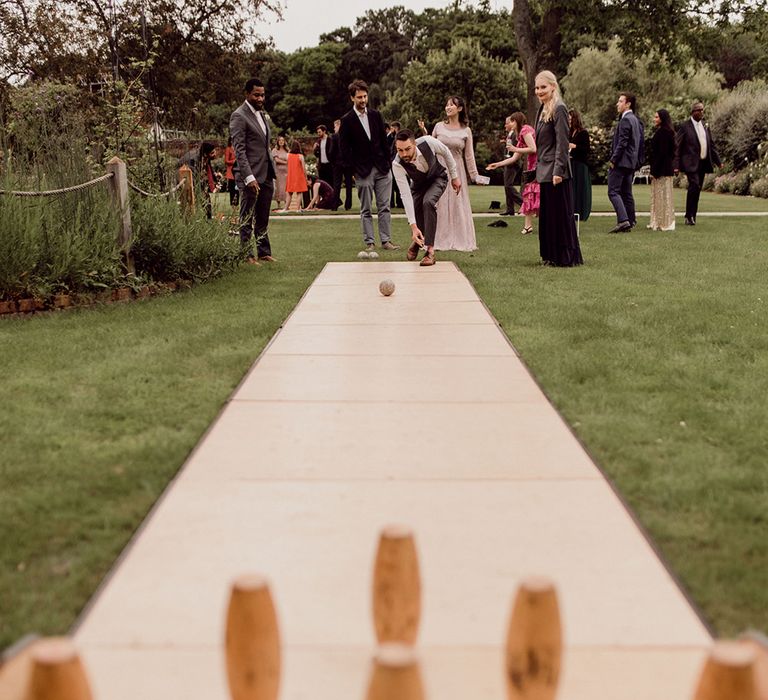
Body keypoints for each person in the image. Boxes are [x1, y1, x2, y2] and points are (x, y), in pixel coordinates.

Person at [339, 79, 399, 251]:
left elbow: (383, 142)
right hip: (362, 172)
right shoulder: (347, 121)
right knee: (366, 209)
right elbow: (344, 150)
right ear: (352, 98)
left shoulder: (375, 115)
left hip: (382, 168)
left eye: (365, 96)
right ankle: (370, 243)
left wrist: (389, 164)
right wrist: (353, 171)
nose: (363, 100)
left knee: (384, 207)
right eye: (359, 97)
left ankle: (386, 241)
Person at [533, 70, 583, 267]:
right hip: (544, 170)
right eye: (537, 88)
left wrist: (558, 171)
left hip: (556, 173)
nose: (539, 91)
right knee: (548, 218)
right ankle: (550, 255)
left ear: (553, 86)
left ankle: (564, 257)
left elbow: (563, 143)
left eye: (543, 87)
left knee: (560, 217)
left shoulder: (559, 109)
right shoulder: (542, 110)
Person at [392, 129, 461, 267]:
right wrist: (413, 227)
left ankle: (430, 251)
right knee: (416, 207)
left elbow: (446, 152)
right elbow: (405, 195)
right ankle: (418, 241)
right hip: (418, 185)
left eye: (407, 149)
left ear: (414, 144)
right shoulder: (397, 164)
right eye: (400, 150)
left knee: (428, 202)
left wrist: (455, 176)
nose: (404, 154)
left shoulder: (428, 142)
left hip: (437, 178)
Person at [230, 77, 277, 264]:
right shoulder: (239, 116)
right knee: (247, 216)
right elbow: (239, 150)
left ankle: (264, 252)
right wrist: (249, 177)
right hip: (250, 175)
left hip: (266, 173)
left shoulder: (262, 115)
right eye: (256, 95)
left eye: (262, 95)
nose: (260, 98)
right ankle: (246, 254)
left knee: (263, 216)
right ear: (247, 94)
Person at [431, 96, 484, 251]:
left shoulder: (466, 131)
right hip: (439, 169)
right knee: (438, 203)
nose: (448, 107)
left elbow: (469, 156)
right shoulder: (438, 127)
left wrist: (475, 176)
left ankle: (460, 239)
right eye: (447, 105)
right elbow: (430, 148)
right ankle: (437, 239)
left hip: (457, 170)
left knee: (457, 204)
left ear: (459, 109)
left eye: (452, 105)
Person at [486, 111, 539, 235]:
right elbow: (514, 158)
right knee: (529, 194)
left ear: (518, 121)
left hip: (539, 165)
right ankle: (528, 226)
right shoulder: (521, 134)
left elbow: (533, 148)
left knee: (533, 194)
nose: (510, 123)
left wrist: (515, 148)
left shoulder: (525, 130)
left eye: (512, 121)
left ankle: (532, 225)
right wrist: (497, 164)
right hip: (533, 166)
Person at [674, 101, 721, 226]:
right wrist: (676, 165)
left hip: (703, 163)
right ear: (692, 112)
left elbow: (711, 144)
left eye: (702, 110)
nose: (701, 112)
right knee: (694, 185)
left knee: (697, 189)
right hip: (690, 163)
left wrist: (718, 162)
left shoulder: (705, 126)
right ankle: (688, 216)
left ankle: (692, 215)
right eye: (699, 110)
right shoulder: (685, 126)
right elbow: (677, 146)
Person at [607, 92, 644, 233]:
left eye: (620, 101)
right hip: (630, 163)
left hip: (621, 162)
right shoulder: (635, 120)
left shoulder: (626, 120)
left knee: (613, 192)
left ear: (628, 104)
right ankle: (631, 220)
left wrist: (613, 160)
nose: (617, 103)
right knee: (626, 193)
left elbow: (622, 143)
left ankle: (623, 220)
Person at [648, 108, 677, 231]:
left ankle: (663, 222)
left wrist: (655, 171)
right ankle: (660, 220)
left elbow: (662, 153)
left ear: (662, 119)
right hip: (665, 168)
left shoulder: (663, 133)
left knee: (662, 196)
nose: (655, 119)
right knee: (662, 196)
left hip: (662, 170)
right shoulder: (668, 132)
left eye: (657, 117)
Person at [568, 109, 592, 222]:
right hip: (571, 163)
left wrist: (575, 146)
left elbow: (587, 149)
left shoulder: (583, 133)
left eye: (570, 118)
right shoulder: (569, 132)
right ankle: (572, 210)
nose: (568, 120)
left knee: (581, 188)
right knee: (572, 189)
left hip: (580, 164)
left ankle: (582, 212)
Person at [501, 114, 523, 216]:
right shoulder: (510, 133)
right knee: (507, 186)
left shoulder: (515, 134)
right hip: (508, 160)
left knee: (508, 185)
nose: (505, 125)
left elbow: (516, 148)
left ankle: (523, 203)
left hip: (512, 163)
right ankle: (510, 209)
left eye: (507, 123)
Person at [330, 119, 353, 211]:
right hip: (348, 163)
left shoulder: (334, 136)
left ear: (339, 126)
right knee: (348, 184)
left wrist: (333, 162)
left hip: (338, 163)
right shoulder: (349, 136)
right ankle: (348, 204)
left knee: (337, 184)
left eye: (335, 126)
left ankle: (335, 204)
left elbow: (331, 151)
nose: (334, 128)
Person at [282, 140, 308, 212]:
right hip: (299, 176)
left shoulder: (288, 155)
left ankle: (286, 208)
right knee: (299, 193)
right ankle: (298, 209)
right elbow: (303, 168)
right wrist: (306, 177)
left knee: (289, 193)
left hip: (291, 176)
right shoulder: (300, 156)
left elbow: (288, 165)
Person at [197, 141, 217, 220]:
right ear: (205, 154)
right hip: (196, 185)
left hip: (203, 186)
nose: (214, 154)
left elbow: (209, 171)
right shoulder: (198, 161)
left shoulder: (206, 160)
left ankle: (208, 220)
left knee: (207, 203)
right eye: (212, 153)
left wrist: (215, 177)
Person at [387, 121, 404, 208]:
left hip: (396, 161)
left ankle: (398, 202)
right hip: (392, 161)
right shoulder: (393, 137)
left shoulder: (399, 137)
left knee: (396, 183)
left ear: (396, 128)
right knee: (393, 183)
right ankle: (393, 202)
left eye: (392, 128)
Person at [271, 134, 289, 210]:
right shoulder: (275, 150)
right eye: (280, 140)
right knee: (278, 187)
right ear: (277, 142)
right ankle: (278, 204)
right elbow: (276, 160)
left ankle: (286, 203)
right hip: (278, 171)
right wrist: (286, 162)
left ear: (284, 142)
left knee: (286, 187)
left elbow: (290, 158)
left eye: (283, 140)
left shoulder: (287, 150)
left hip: (286, 172)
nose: (281, 142)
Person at [224, 137, 239, 211]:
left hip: (238, 172)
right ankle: (233, 205)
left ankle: (237, 205)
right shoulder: (228, 149)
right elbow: (226, 161)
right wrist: (234, 161)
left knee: (238, 189)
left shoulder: (238, 148)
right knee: (232, 189)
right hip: (231, 172)